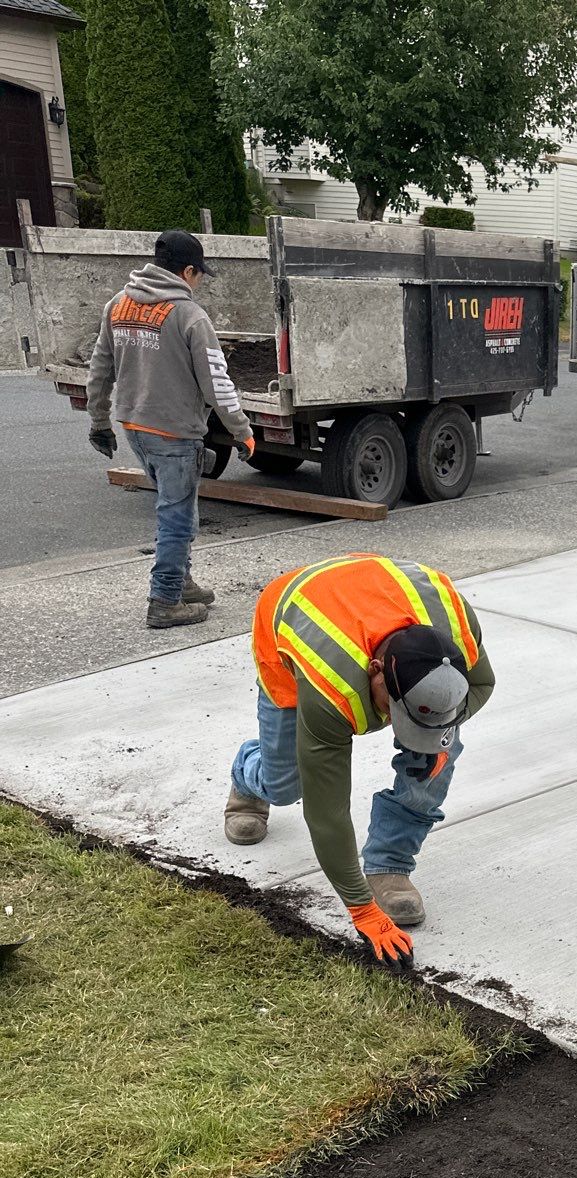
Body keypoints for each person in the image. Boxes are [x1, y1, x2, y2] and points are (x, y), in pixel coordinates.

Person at [224, 553, 496, 968]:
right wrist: (362, 910)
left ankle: (390, 864)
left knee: (436, 765)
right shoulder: (330, 687)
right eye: (394, 709)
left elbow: (483, 683)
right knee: (287, 785)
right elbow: (326, 812)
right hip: (292, 616)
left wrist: (436, 739)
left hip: (377, 587)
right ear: (375, 671)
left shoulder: (456, 629)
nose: (397, 724)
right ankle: (249, 776)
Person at [86, 229, 255, 630]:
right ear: (188, 271)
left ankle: (182, 582)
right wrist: (242, 430)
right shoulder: (189, 315)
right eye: (200, 275)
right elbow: (217, 383)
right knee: (177, 519)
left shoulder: (118, 304)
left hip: (135, 428)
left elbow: (100, 368)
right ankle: (165, 600)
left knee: (175, 506)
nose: (199, 282)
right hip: (175, 433)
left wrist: (98, 421)